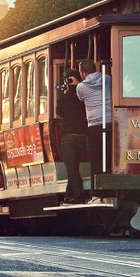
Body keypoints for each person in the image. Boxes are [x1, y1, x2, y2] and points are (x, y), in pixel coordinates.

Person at [76, 59, 112, 191]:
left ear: (83, 73)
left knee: (96, 160)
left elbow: (80, 98)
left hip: (95, 126)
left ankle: (97, 192)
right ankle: (111, 188)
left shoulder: (81, 87)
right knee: (109, 157)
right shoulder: (108, 79)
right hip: (110, 122)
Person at [56, 69, 87, 205]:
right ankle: (69, 194)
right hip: (83, 137)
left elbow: (59, 112)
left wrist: (67, 91)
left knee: (72, 167)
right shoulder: (83, 96)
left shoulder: (63, 98)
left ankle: (78, 196)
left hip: (69, 137)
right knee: (73, 166)